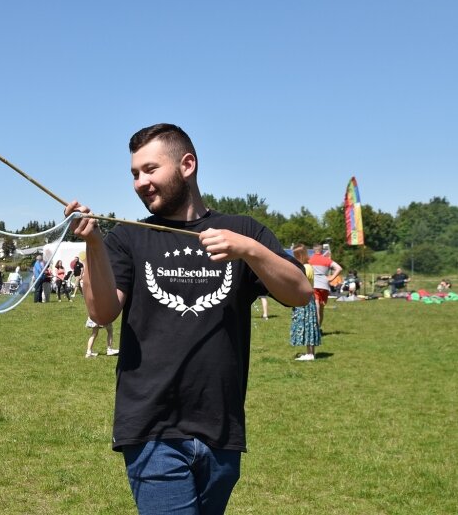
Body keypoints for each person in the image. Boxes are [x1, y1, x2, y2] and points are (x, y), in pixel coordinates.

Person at [65, 123, 311, 514]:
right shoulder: (130, 237)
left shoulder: (244, 231)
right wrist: (93, 243)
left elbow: (299, 294)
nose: (140, 182)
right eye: (134, 173)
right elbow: (102, 311)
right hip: (152, 428)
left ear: (187, 165)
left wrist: (249, 250)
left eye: (150, 169)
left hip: (222, 430)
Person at [289, 245, 322, 361]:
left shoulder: (305, 268)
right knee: (308, 325)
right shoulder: (308, 267)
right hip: (308, 298)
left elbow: (299, 281)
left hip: (305, 299)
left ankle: (310, 354)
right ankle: (310, 352)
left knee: (307, 325)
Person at [308, 244, 342, 328]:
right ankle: (319, 328)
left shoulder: (309, 260)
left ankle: (316, 330)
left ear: (313, 250)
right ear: (322, 251)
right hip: (324, 285)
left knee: (316, 308)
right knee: (321, 309)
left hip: (314, 285)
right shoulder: (326, 260)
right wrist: (331, 278)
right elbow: (339, 268)